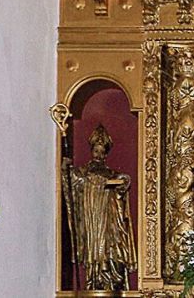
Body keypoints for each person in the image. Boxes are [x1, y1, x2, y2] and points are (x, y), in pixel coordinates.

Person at [61, 124, 137, 290]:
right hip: (91, 218)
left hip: (108, 218)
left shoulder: (111, 174)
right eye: (96, 151)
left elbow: (122, 185)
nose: (99, 155)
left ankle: (110, 280)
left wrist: (123, 182)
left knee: (111, 247)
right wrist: (65, 167)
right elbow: (70, 182)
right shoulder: (83, 173)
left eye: (102, 152)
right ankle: (94, 280)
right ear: (91, 151)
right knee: (93, 249)